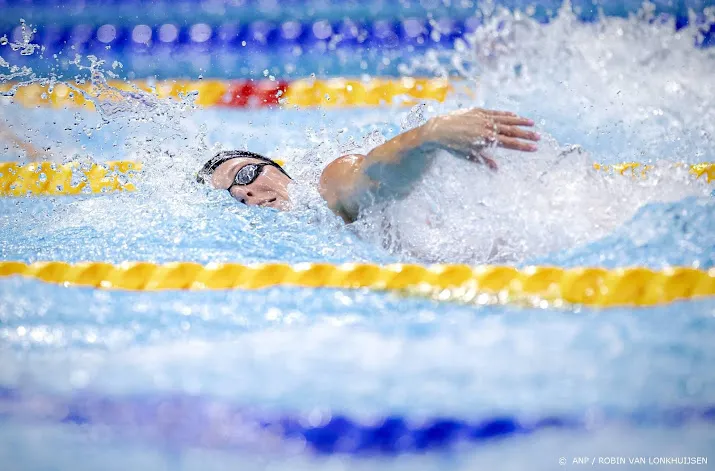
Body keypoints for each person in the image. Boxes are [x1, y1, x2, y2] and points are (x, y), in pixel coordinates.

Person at [196, 107, 540, 223]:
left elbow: (373, 179)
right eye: (231, 194)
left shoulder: (326, 186)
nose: (245, 193)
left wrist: (427, 136)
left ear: (275, 166)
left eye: (244, 174)